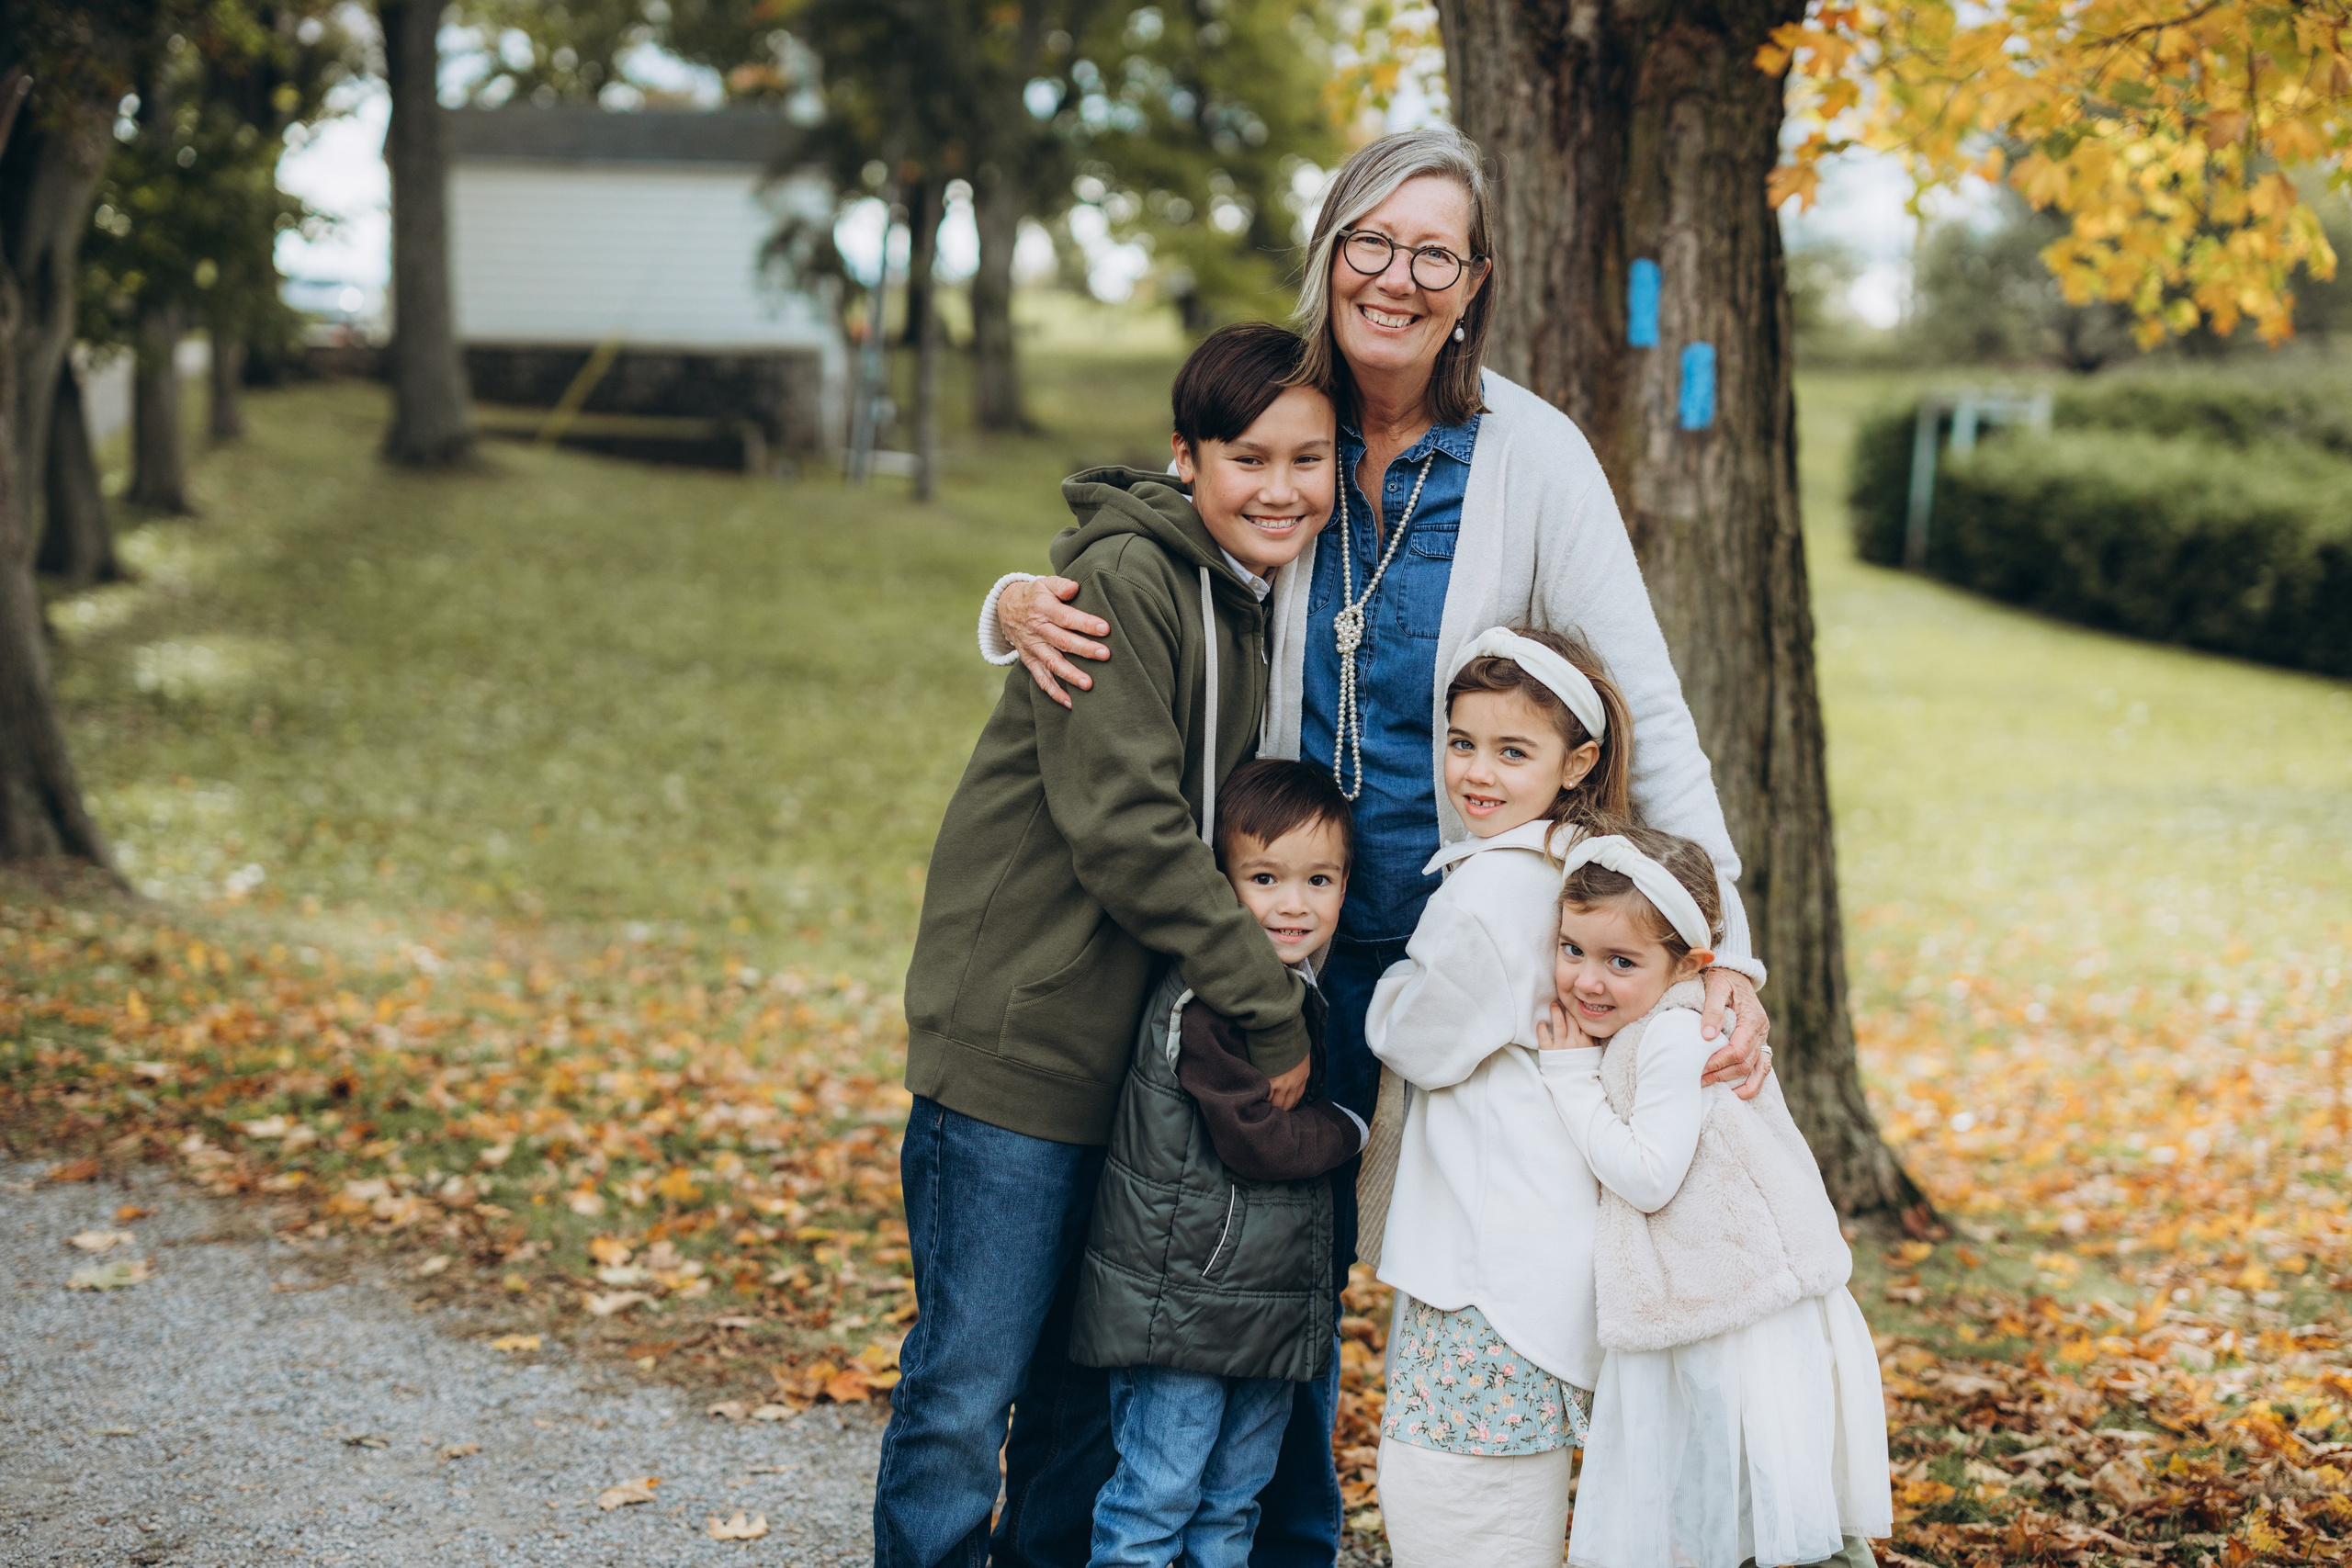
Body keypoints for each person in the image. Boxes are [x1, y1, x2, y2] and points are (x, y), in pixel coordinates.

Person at [981, 123, 1773, 1562]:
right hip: (1256, 928)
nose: (1397, 277)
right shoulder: (1281, 410)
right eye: (1372, 241)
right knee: (1181, 1273)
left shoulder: (1532, 454)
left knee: (1355, 1285)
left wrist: (1724, 948)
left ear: (1473, 283)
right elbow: (1137, 534)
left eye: (1435, 252)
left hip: (1451, 966)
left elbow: (1645, 697)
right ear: (1328, 251)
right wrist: (1006, 602)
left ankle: (1314, 1537)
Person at [876, 323, 1337, 1568]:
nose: (1283, 486)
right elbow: (1127, 826)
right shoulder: (1137, 578)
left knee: (1083, 1401)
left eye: (1310, 457)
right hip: (1025, 1044)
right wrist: (1270, 1004)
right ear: (1187, 459)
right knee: (970, 1387)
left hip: (1132, 1072)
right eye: (1251, 457)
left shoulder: (1249, 597)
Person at [1542, 826, 1892, 1568]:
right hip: (1717, 1296)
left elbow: (1646, 1175)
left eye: (1620, 961)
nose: (1587, 981)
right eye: (1572, 949)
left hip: (1731, 1313)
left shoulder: (1672, 1036)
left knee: (1759, 1495)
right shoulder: (1657, 1020)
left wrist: (1569, 1077)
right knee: (1732, 1497)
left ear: (1689, 966)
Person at [1360, 626, 1634, 1568]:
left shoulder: (1494, 894)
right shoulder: (1581, 866)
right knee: (1508, 1494)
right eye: (1462, 742)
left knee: (1450, 1498)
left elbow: (1418, 1041)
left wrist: (1387, 989)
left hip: (1485, 1261)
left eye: (1512, 751)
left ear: (1576, 763)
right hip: (1537, 1236)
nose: (1476, 771)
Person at [1070, 760, 1368, 1568]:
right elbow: (1254, 1139)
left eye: (1319, 879)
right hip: (1183, 1308)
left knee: (1231, 1508)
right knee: (1155, 1501)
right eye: (1264, 877)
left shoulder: (1309, 992)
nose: (1293, 903)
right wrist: (1349, 1129)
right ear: (1222, 884)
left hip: (1261, 1309)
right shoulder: (1209, 1002)